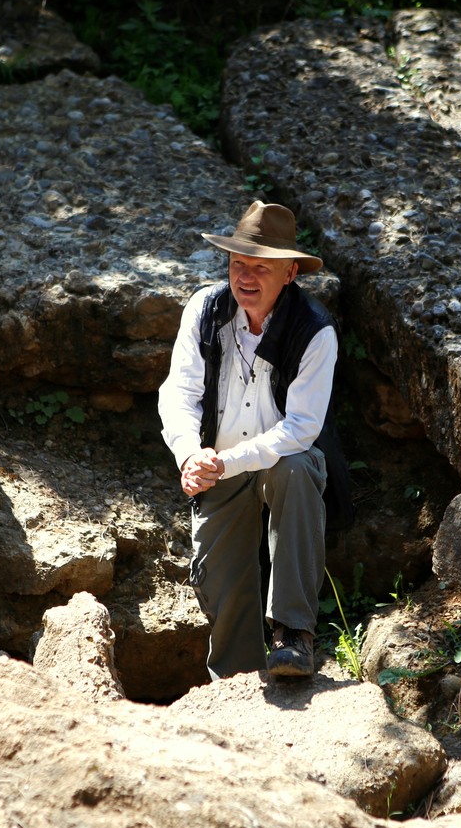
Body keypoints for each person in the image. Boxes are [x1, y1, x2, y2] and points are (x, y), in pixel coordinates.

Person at [158, 200, 341, 679]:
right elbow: (178, 392)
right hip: (215, 462)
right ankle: (235, 683)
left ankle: (293, 636)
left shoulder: (315, 331)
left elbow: (301, 428)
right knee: (219, 582)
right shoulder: (205, 309)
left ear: (290, 273)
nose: (246, 276)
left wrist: (226, 461)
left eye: (261, 267)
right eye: (238, 263)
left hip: (278, 460)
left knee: (296, 468)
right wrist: (189, 455)